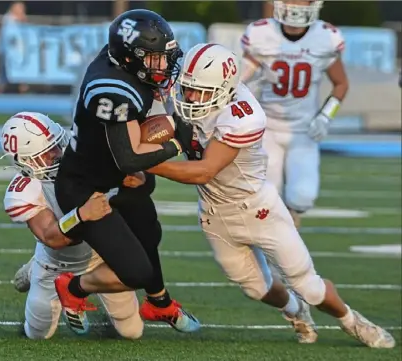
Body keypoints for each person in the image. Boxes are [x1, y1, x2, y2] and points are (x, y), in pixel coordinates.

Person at [147, 42, 395, 349]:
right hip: (215, 215)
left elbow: (205, 171)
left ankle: (351, 320)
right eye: (188, 89)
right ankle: (294, 311)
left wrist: (147, 164)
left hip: (259, 210)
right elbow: (161, 127)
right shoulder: (188, 99)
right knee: (255, 289)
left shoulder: (243, 115)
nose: (192, 98)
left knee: (310, 288)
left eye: (201, 92)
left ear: (225, 89)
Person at [53, 9, 200, 333]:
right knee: (135, 273)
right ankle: (72, 288)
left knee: (149, 230)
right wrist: (178, 141)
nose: (163, 65)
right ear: (131, 58)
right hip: (85, 188)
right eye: (155, 58)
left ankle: (158, 303)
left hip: (112, 176)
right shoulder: (112, 89)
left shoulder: (121, 62)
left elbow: (129, 159)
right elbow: (128, 158)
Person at [2, 112, 145, 340]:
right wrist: (80, 215)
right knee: (37, 334)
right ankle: (35, 268)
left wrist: (132, 178)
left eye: (57, 145)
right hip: (54, 264)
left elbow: (133, 177)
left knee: (132, 331)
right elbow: (53, 239)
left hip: (99, 257)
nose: (58, 154)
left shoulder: (83, 161)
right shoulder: (25, 189)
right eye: (47, 153)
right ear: (25, 162)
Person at [240, 0, 349, 228]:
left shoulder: (324, 36)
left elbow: (341, 85)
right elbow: (239, 80)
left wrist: (325, 116)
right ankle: (274, 246)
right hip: (267, 128)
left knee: (302, 196)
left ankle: (289, 234)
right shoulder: (263, 33)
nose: (294, 4)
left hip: (303, 130)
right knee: (266, 198)